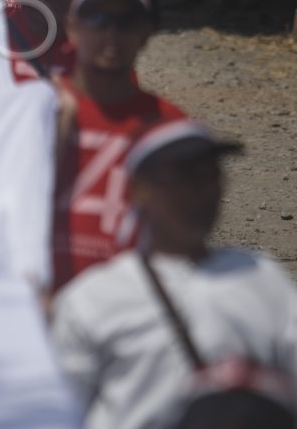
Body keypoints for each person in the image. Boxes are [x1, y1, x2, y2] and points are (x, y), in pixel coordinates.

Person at [52, 117, 297, 429]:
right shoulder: (92, 300)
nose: (201, 193)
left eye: (211, 176)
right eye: (183, 178)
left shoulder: (263, 276)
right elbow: (58, 414)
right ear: (139, 189)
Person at [52, 0, 186, 293]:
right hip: (39, 302)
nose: (111, 32)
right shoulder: (35, 109)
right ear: (72, 28)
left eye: (126, 21)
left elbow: (184, 233)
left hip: (130, 306)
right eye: (96, 18)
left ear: (145, 33)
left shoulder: (171, 127)